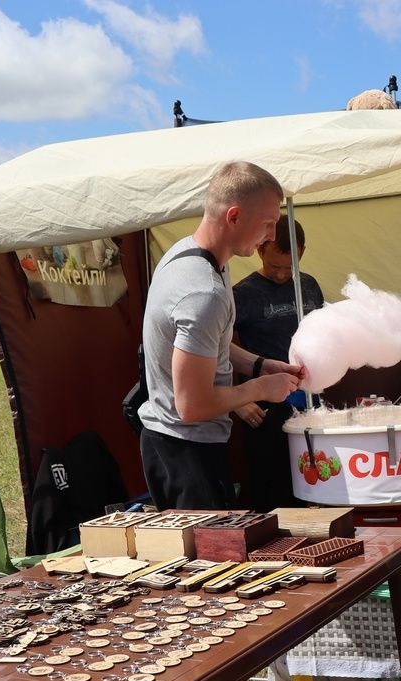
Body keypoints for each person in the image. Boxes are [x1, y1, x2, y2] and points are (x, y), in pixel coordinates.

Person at [138, 161, 304, 511]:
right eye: (268, 224)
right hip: (185, 450)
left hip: (178, 443)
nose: (272, 236)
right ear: (234, 216)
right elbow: (191, 404)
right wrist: (260, 389)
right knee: (211, 565)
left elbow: (206, 342)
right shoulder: (203, 292)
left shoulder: (195, 256)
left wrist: (259, 365)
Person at [232, 216, 324, 512]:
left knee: (319, 483)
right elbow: (219, 351)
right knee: (275, 496)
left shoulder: (309, 286)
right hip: (266, 410)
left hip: (312, 404)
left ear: (303, 252)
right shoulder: (241, 295)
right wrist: (238, 399)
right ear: (259, 250)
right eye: (275, 267)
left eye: (289, 267)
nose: (283, 275)